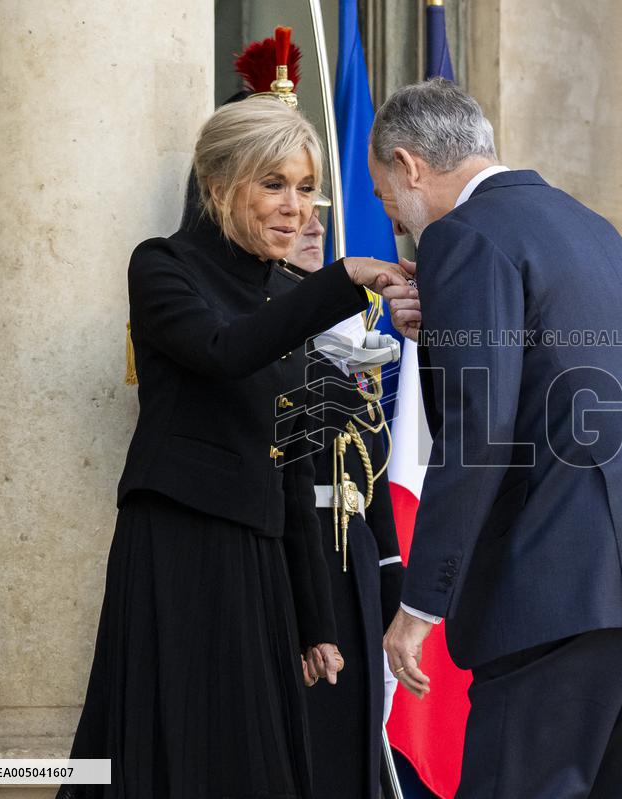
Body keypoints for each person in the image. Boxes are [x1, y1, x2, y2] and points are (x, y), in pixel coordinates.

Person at [371, 78, 622, 799]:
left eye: (388, 199)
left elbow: (480, 428)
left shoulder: (463, 235)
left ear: (412, 166)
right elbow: (554, 373)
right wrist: (444, 325)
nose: (401, 225)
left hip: (563, 585)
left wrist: (420, 604)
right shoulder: (590, 225)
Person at [59, 97, 405, 799]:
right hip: (179, 546)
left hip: (262, 558)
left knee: (257, 764)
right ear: (219, 185)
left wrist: (316, 622)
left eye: (306, 188)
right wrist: (341, 280)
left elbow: (297, 459)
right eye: (273, 184)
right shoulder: (162, 267)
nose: (296, 208)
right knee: (171, 752)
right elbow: (222, 351)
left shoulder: (287, 294)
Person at [287, 208, 405, 798]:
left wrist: (393, 594)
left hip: (352, 561)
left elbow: (373, 482)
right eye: (292, 211)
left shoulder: (350, 351)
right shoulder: (273, 345)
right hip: (294, 557)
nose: (312, 227)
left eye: (318, 215)